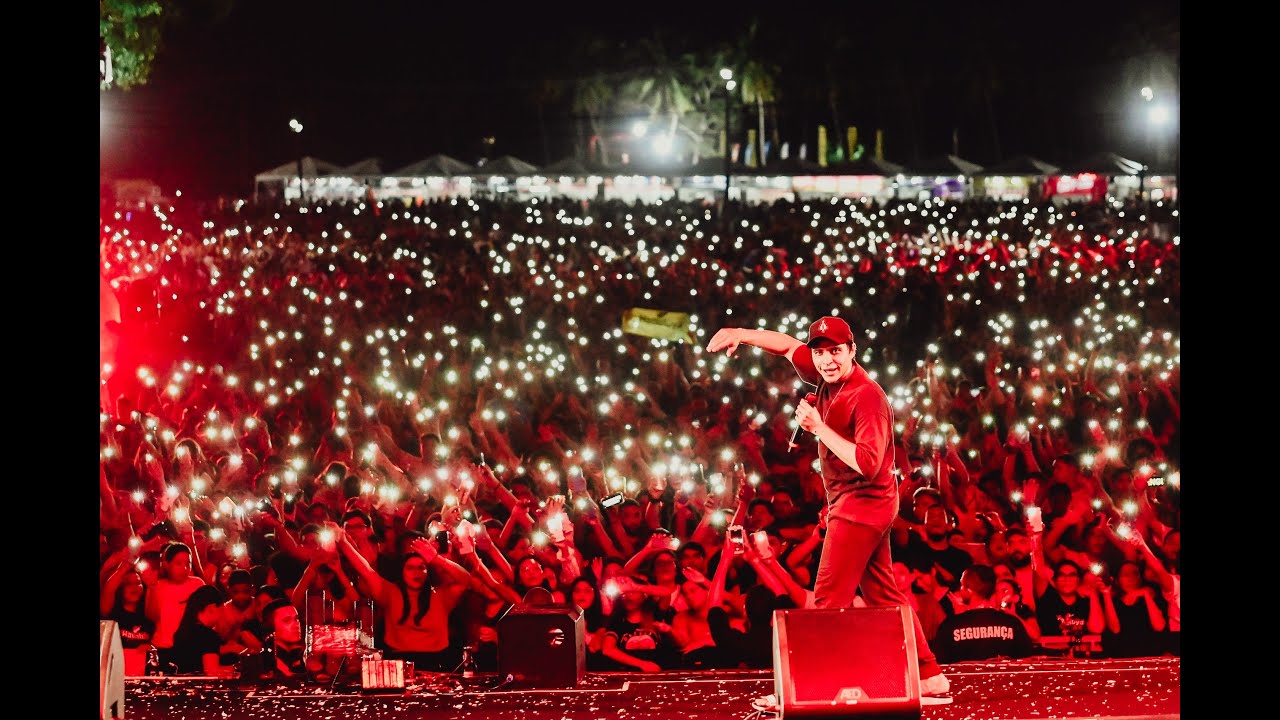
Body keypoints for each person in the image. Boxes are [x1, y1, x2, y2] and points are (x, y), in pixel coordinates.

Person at [708, 317, 950, 698]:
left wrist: (819, 427)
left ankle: (808, 684)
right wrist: (742, 335)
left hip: (862, 504)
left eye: (835, 351)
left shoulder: (866, 397)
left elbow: (869, 464)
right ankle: (931, 675)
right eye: (820, 353)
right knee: (884, 594)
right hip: (863, 502)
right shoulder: (824, 373)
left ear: (852, 351)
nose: (826, 361)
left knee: (826, 598)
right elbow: (787, 345)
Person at [931, 564, 1035, 663]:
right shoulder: (1012, 623)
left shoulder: (950, 625)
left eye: (962, 585)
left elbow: (940, 663)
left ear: (968, 590)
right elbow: (1026, 660)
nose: (960, 589)